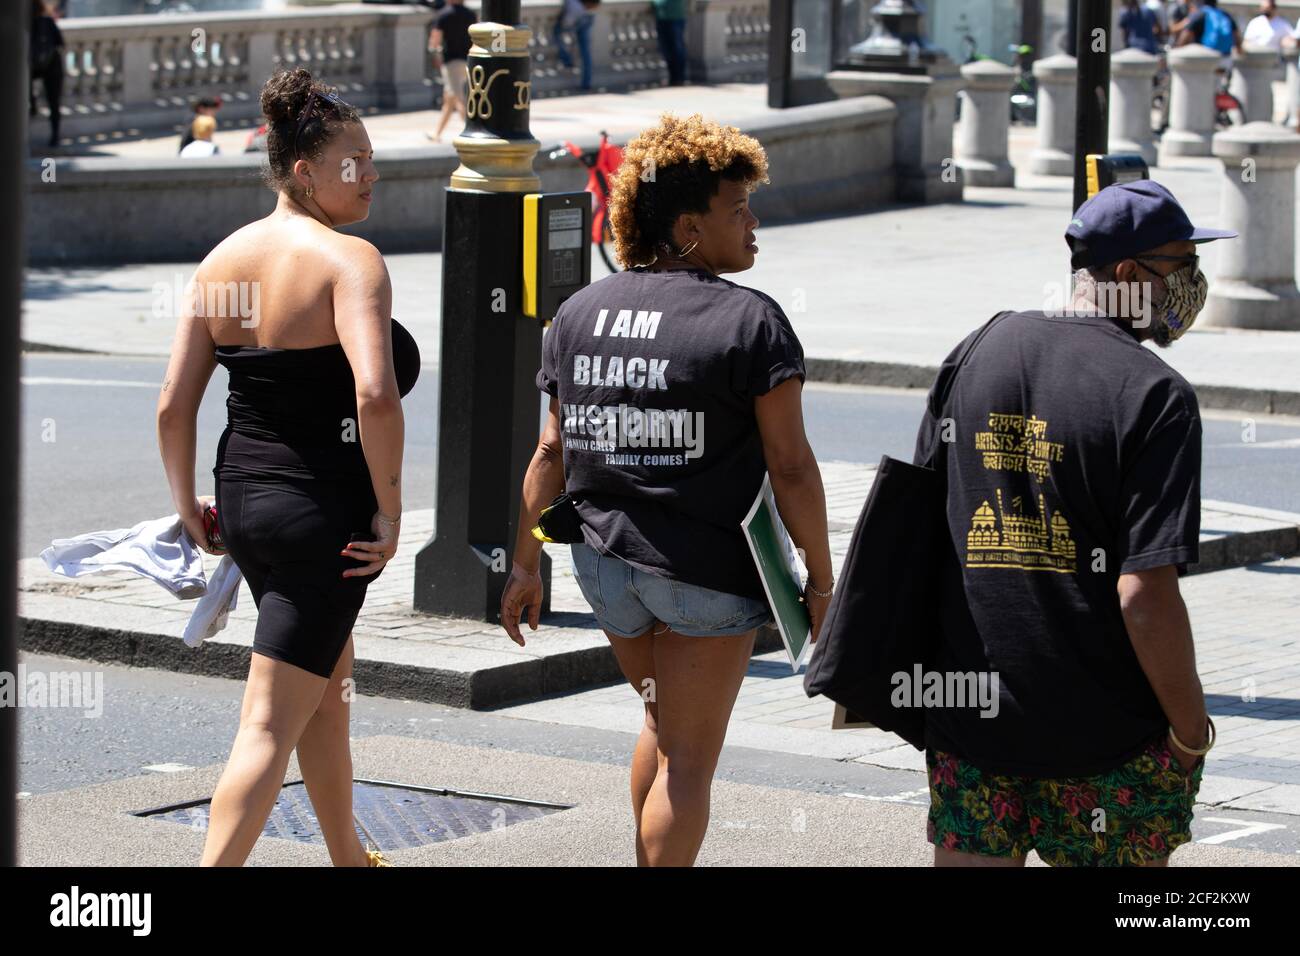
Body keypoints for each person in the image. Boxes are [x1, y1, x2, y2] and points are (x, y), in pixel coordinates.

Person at [499, 114, 833, 867]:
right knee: (688, 760)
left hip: (605, 569)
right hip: (704, 575)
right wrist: (821, 577)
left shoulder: (579, 312)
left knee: (659, 724)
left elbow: (550, 449)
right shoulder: (751, 322)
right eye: (737, 209)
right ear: (687, 226)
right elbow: (792, 468)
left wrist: (525, 566)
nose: (754, 224)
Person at [913, 180, 1235, 867]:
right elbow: (1144, 594)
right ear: (1128, 275)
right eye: (1182, 266)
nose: (1192, 285)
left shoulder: (977, 349)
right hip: (1105, 738)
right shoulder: (1155, 396)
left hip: (973, 714)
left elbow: (920, 526)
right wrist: (1188, 732)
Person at [156, 67, 420, 867]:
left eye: (372, 157)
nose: (371, 172)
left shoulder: (222, 261)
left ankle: (348, 855)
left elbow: (173, 405)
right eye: (355, 160)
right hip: (320, 515)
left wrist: (185, 506)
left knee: (326, 691)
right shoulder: (350, 261)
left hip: (242, 501)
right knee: (269, 722)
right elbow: (376, 395)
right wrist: (391, 512)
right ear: (306, 172)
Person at [428, 0, 476, 142]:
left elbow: (435, 40)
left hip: (451, 62)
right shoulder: (471, 14)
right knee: (449, 99)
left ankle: (472, 129)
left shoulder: (443, 15)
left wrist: (434, 54)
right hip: (468, 59)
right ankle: (437, 133)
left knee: (457, 97)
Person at [30, 0, 65, 148]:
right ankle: (55, 136)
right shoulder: (47, 21)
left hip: (33, 66)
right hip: (52, 65)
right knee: (54, 102)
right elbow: (60, 43)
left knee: (23, 86)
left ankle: (32, 105)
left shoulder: (26, 25)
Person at [1175, 0, 1243, 70]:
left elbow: (1185, 35)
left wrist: (1178, 50)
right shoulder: (1225, 14)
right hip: (1225, 57)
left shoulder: (1199, 14)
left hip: (1205, 58)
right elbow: (1237, 36)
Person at [552, 0, 599, 91]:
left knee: (557, 34)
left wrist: (562, 24)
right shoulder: (577, 5)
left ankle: (567, 61)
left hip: (579, 18)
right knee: (585, 52)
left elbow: (567, 22)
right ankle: (586, 83)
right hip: (588, 16)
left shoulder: (573, 4)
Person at [652, 0, 689, 87]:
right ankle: (672, 78)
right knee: (666, 49)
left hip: (675, 16)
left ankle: (680, 78)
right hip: (661, 16)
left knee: (678, 48)